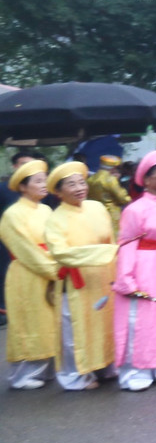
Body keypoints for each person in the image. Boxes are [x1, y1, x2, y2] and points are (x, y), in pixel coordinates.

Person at [111, 151, 156, 390]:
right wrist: (126, 278)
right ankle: (134, 372)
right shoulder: (135, 209)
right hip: (143, 264)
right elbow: (126, 243)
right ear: (147, 179)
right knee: (141, 316)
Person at [44, 161, 118, 390]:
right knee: (75, 329)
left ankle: (105, 365)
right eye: (71, 184)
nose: (79, 188)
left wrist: (115, 266)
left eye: (81, 182)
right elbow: (60, 253)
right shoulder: (55, 219)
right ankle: (75, 376)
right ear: (58, 192)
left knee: (105, 323)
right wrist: (106, 253)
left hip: (102, 277)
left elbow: (111, 240)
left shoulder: (97, 207)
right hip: (76, 281)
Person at [1, 158, 60, 389]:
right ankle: (22, 376)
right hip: (27, 272)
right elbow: (25, 248)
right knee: (30, 323)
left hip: (49, 268)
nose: (44, 185)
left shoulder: (46, 209)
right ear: (23, 187)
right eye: (38, 181)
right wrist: (54, 268)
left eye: (45, 180)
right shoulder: (12, 214)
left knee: (48, 322)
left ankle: (46, 369)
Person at [86, 154, 131, 234]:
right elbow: (123, 199)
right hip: (110, 215)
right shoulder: (111, 180)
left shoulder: (90, 179)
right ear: (113, 168)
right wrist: (129, 199)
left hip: (94, 215)